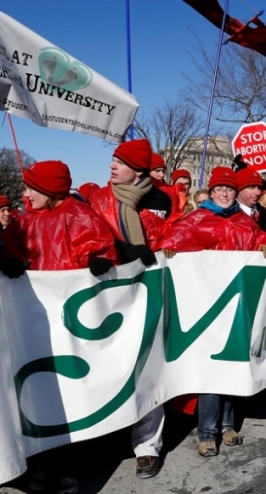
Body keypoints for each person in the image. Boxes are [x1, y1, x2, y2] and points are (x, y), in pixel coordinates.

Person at [0, 160, 118, 494]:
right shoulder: (22, 222)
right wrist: (8, 258)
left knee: (67, 392)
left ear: (49, 191)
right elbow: (9, 244)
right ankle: (38, 462)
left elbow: (99, 245)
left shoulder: (80, 216)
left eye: (30, 188)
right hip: (32, 321)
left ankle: (68, 466)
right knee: (35, 390)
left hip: (68, 325)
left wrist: (100, 258)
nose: (24, 194)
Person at [160, 167, 266, 457]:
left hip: (237, 307)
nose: (225, 194)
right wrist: (172, 248)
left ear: (236, 194)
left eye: (229, 190)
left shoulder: (244, 222)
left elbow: (263, 240)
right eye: (219, 189)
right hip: (207, 309)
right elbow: (171, 240)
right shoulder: (196, 219)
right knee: (211, 371)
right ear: (211, 192)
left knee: (233, 366)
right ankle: (207, 432)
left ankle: (228, 425)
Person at [86, 138, 169, 479]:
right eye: (112, 161)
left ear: (137, 172)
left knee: (149, 366)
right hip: (111, 293)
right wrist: (111, 254)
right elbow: (89, 238)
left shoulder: (161, 199)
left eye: (118, 162)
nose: (111, 167)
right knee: (110, 366)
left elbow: (172, 238)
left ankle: (148, 447)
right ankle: (106, 435)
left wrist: (155, 252)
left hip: (151, 291)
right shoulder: (98, 200)